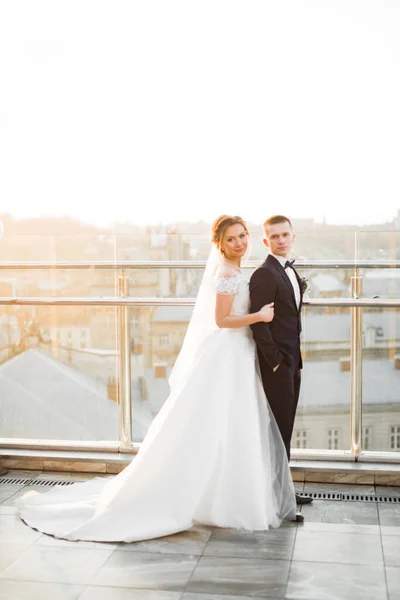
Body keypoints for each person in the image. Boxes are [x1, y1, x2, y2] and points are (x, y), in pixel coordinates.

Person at [17, 215, 298, 543]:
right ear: (219, 244)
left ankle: (224, 493)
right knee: (218, 420)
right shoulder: (226, 273)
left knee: (231, 423)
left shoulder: (236, 270)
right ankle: (212, 496)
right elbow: (221, 320)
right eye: (231, 239)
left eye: (241, 236)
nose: (238, 243)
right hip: (227, 352)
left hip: (238, 352)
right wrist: (259, 316)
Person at [249, 215, 312, 505]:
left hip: (292, 361)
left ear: (293, 236)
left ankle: (281, 490)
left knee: (284, 428)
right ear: (266, 241)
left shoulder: (287, 270)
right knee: (278, 430)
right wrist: (275, 362)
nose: (281, 240)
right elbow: (259, 324)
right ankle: (278, 497)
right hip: (277, 365)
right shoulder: (265, 273)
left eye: (285, 234)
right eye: (275, 237)